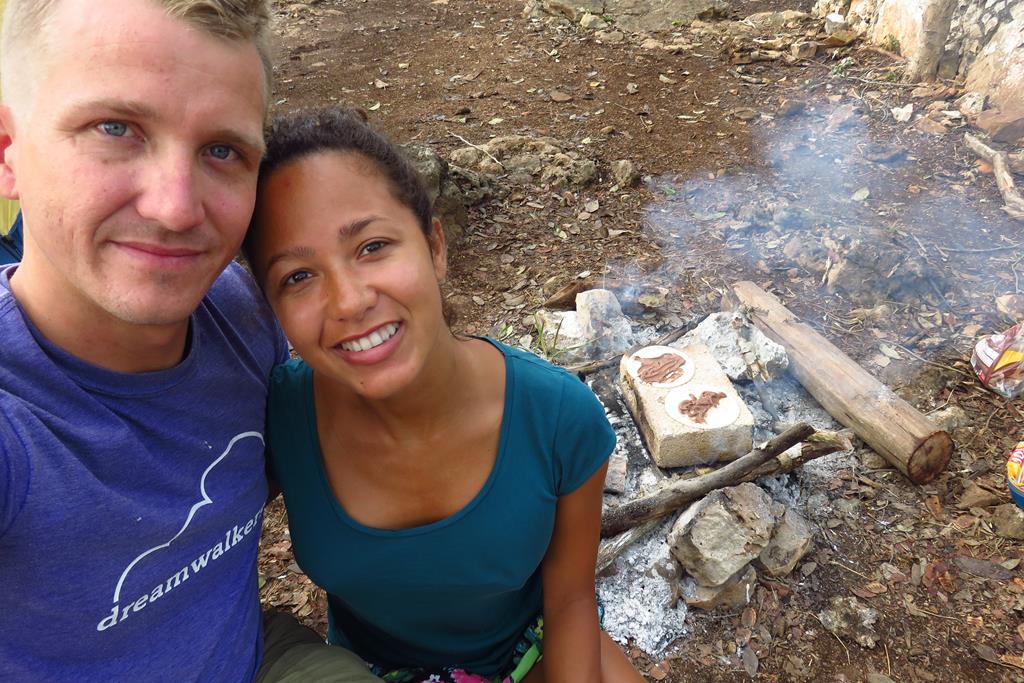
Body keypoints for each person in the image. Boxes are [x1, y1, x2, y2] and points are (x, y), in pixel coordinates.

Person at [0, 1, 379, 681]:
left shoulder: (244, 315)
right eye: (115, 128)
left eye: (221, 151)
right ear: (8, 150)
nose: (176, 208)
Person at [244, 107, 647, 683]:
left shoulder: (558, 418)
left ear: (435, 246)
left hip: (529, 652)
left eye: (372, 246)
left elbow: (570, 602)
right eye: (297, 277)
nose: (350, 301)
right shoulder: (275, 419)